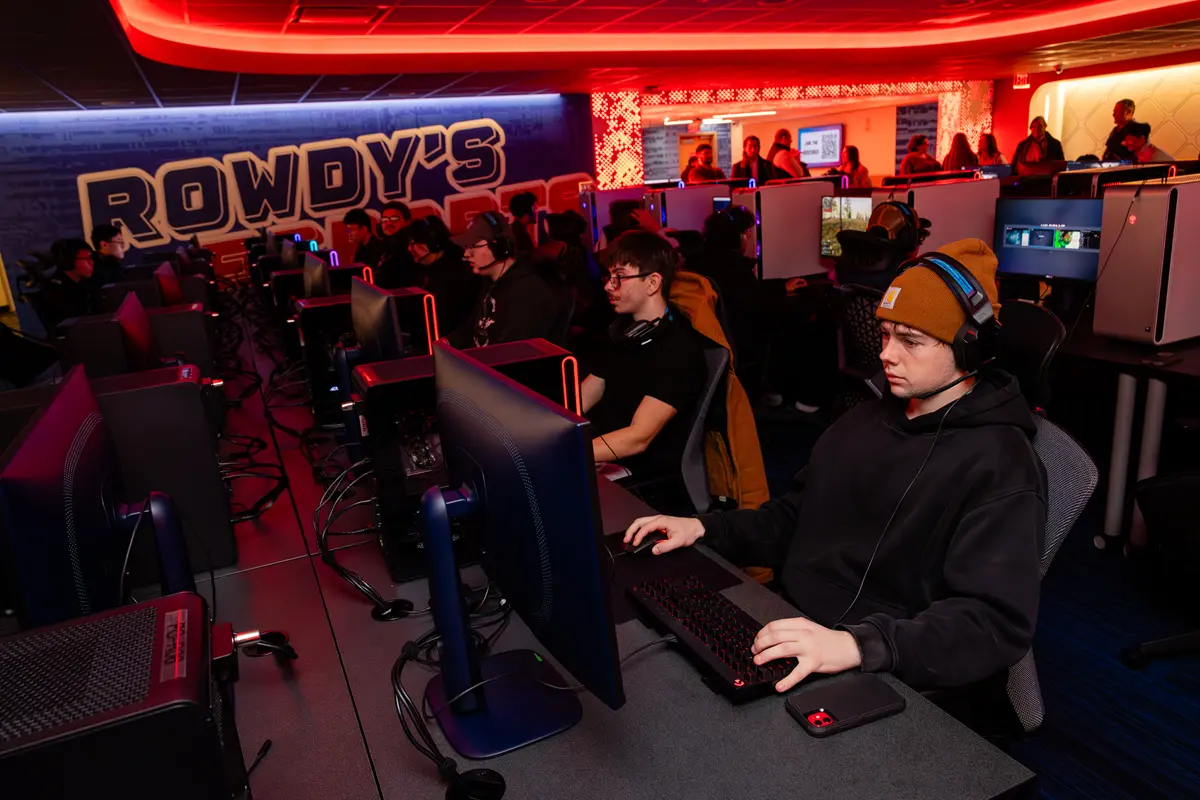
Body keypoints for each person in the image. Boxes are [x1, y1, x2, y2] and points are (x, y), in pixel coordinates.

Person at [625, 237, 1044, 723]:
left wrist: (856, 645)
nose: (887, 355)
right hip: (804, 629)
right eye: (885, 334)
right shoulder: (863, 419)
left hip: (894, 670)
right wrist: (705, 529)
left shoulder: (1001, 464)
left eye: (911, 341)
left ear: (970, 349)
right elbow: (795, 517)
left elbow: (992, 622)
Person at [582, 230, 707, 479]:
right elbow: (581, 399)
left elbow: (638, 438)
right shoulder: (622, 334)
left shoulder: (679, 349)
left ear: (652, 283)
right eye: (609, 276)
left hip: (643, 475)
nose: (609, 285)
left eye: (620, 277)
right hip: (605, 455)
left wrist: (574, 451)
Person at [447, 211, 565, 348]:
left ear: (499, 248)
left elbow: (510, 353)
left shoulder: (528, 292)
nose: (466, 254)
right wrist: (445, 344)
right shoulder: (491, 283)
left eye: (473, 246)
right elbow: (472, 328)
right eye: (466, 247)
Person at [405, 216, 480, 334]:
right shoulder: (419, 270)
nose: (409, 248)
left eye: (413, 243)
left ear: (431, 244)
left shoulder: (456, 274)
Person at [40, 238, 100, 329]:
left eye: (91, 258)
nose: (91, 263)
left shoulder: (83, 283)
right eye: (86, 259)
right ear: (69, 261)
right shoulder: (56, 292)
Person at [375, 201, 416, 288]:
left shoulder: (412, 246)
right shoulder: (383, 246)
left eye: (394, 219)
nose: (389, 223)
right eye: (385, 220)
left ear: (407, 221)